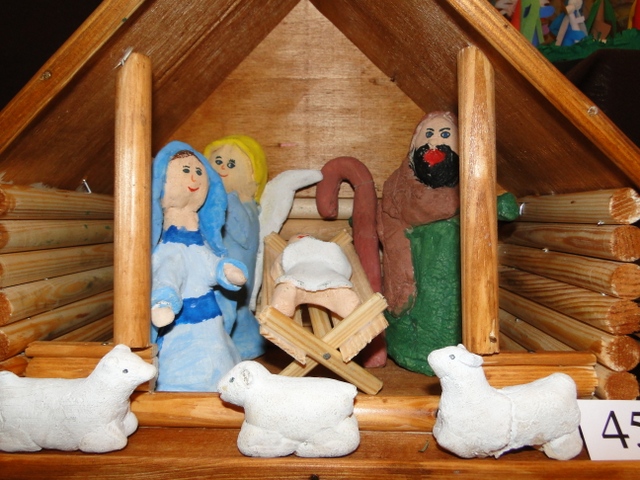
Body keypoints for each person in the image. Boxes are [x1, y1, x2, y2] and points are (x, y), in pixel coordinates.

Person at [150, 140, 247, 391]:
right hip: (183, 327)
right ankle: (182, 388)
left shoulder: (200, 244)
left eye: (198, 171)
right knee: (186, 369)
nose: (193, 177)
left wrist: (225, 270)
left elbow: (210, 265)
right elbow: (167, 274)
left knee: (221, 357)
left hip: (211, 322)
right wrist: (163, 300)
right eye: (185, 170)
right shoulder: (168, 249)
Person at [203, 135, 268, 359]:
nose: (222, 167)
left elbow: (243, 236)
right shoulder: (213, 205)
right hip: (216, 275)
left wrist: (228, 201)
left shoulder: (244, 205)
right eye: (217, 161)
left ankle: (221, 352)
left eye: (232, 164)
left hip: (233, 276)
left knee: (229, 309)